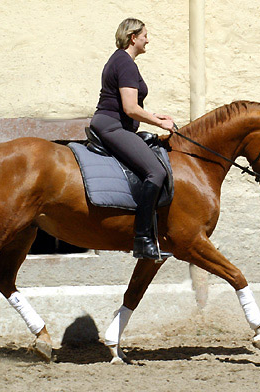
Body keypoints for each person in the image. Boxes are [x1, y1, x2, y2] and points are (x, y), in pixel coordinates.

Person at [90, 18, 174, 260]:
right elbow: (130, 108)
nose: (148, 39)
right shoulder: (126, 64)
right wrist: (160, 123)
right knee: (156, 173)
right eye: (145, 35)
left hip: (115, 124)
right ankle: (142, 238)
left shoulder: (119, 60)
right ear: (132, 37)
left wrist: (153, 114)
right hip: (114, 127)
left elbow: (131, 105)